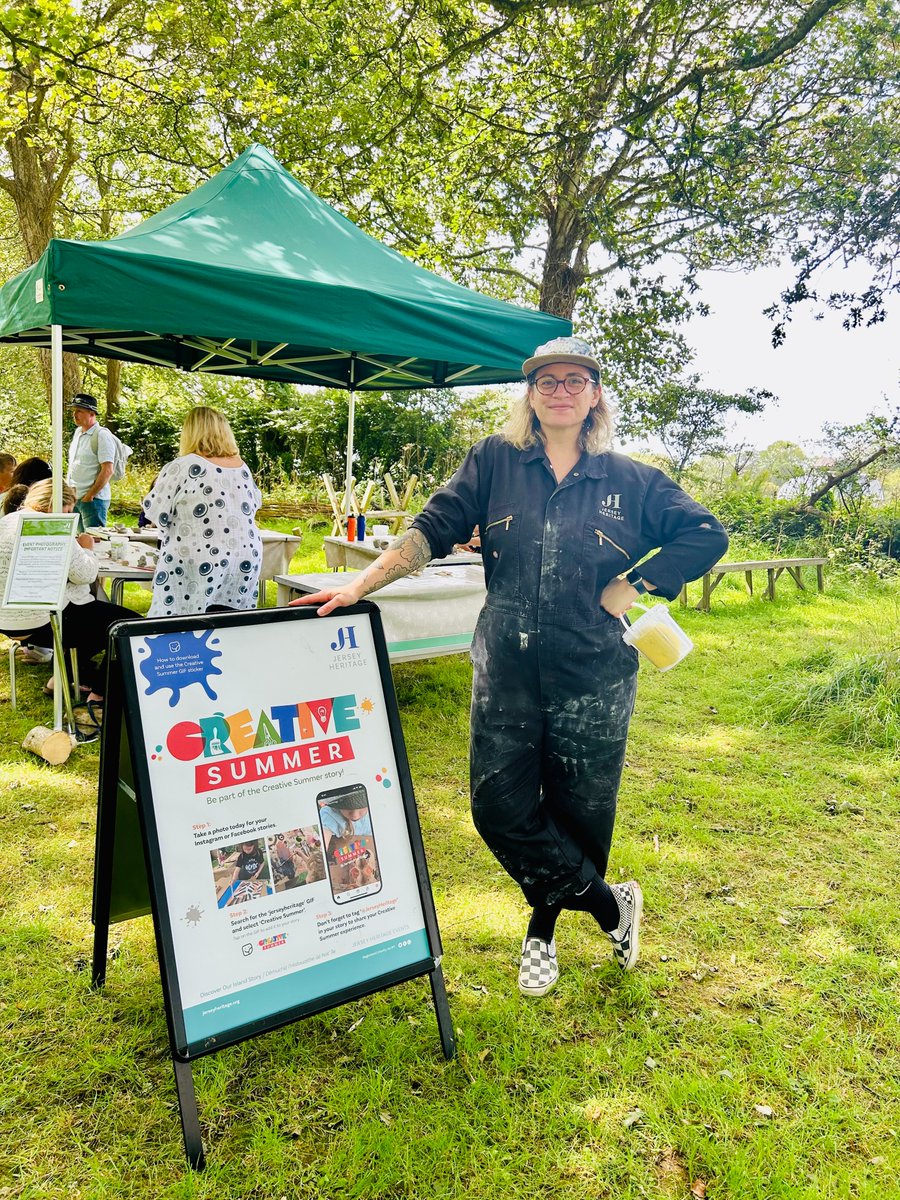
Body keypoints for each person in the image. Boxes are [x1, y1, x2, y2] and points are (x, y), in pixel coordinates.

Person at [293, 336, 728, 996]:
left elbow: (706, 532)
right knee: (498, 807)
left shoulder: (631, 478)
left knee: (579, 810)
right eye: (546, 381)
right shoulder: (495, 461)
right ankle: (613, 907)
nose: (560, 391)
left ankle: (541, 934)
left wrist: (638, 582)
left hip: (595, 674)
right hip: (507, 668)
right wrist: (361, 586)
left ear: (595, 394)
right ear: (529, 394)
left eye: (574, 380)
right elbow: (433, 527)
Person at [0, 479, 139, 729]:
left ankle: (62, 677)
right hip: (44, 620)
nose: (71, 514)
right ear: (56, 504)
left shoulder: (7, 521)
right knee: (128, 627)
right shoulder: (52, 526)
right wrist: (86, 548)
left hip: (7, 619)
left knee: (95, 620)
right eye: (68, 509)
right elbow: (84, 574)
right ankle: (99, 693)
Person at [142, 407, 262, 616]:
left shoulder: (185, 465)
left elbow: (154, 511)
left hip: (198, 554)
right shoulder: (242, 467)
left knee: (180, 620)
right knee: (232, 622)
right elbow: (253, 505)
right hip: (246, 554)